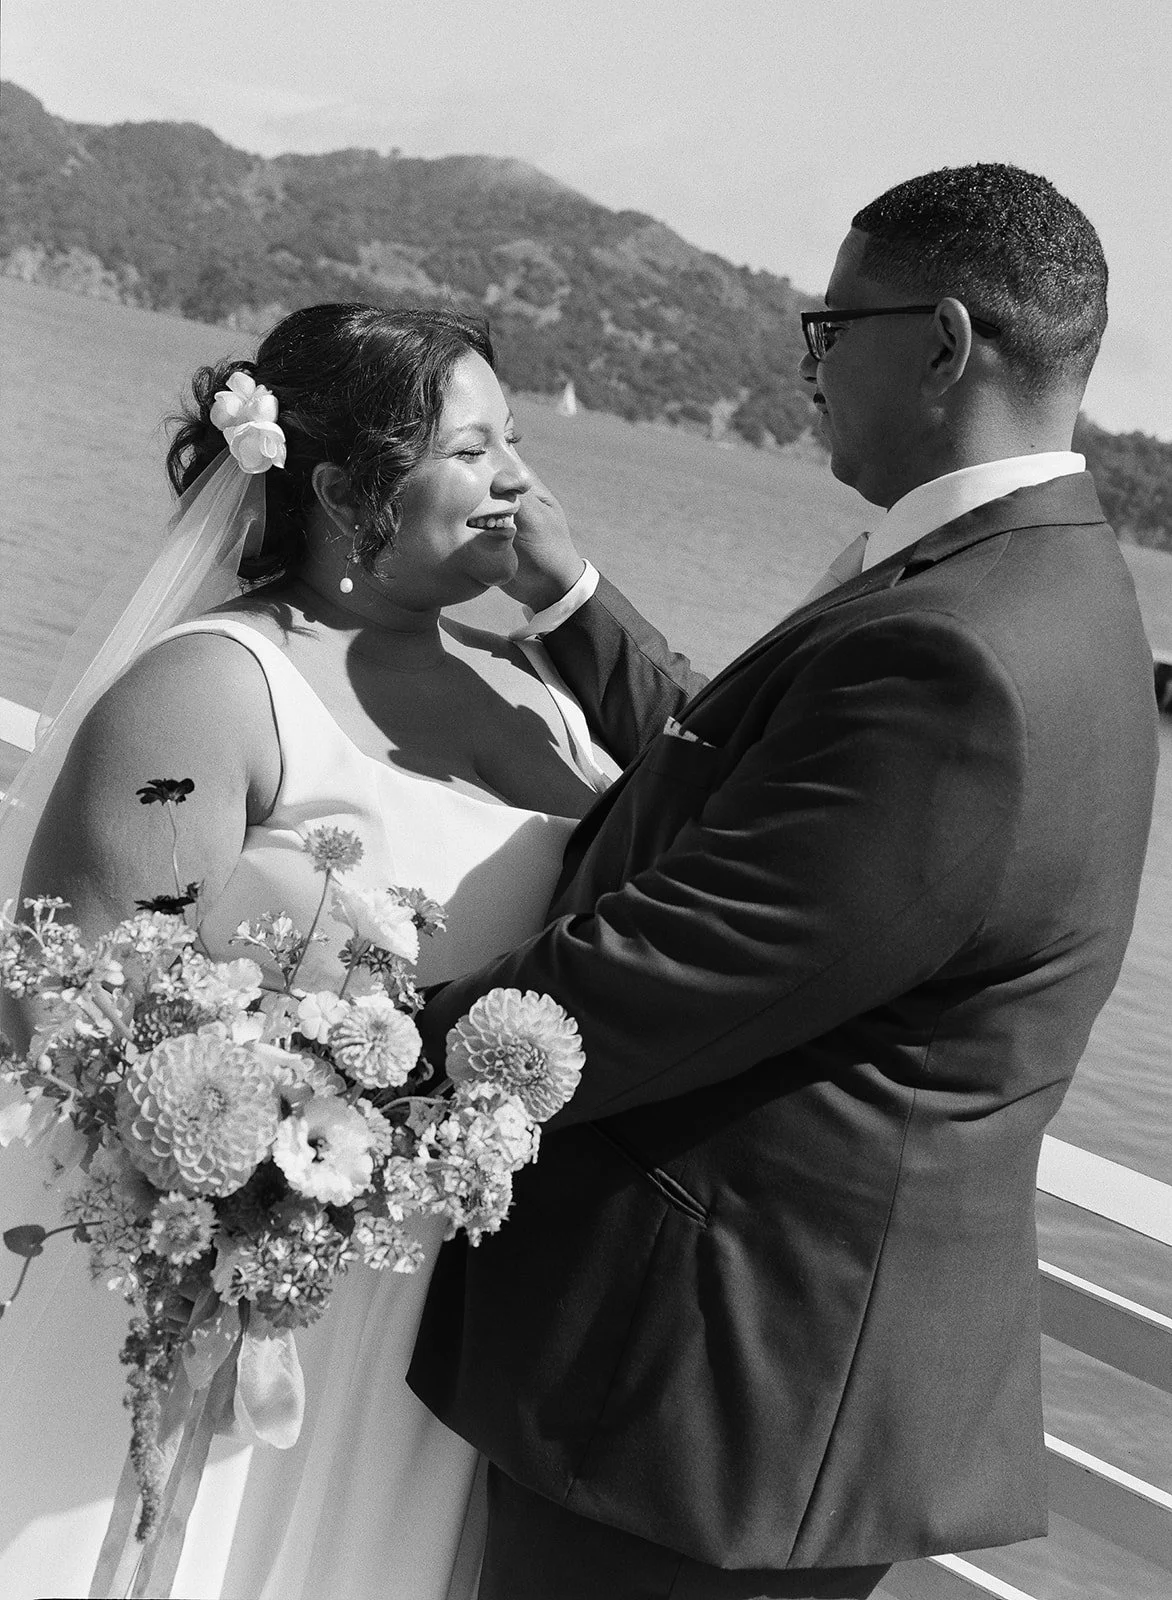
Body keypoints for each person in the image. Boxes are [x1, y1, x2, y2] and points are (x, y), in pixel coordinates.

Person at [407, 164, 1161, 1599]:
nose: (805, 364)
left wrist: (349, 1051)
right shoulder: (1034, 590)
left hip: (718, 1398)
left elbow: (674, 969)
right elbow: (750, 786)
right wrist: (569, 598)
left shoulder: (959, 651)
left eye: (830, 327)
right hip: (777, 1387)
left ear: (940, 341)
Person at [0, 303, 617, 1600]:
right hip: (237, 1287)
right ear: (341, 488)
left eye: (514, 441)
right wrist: (273, 1171)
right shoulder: (217, 685)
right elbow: (62, 1015)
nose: (520, 480)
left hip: (449, 1328)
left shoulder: (546, 694)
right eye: (473, 449)